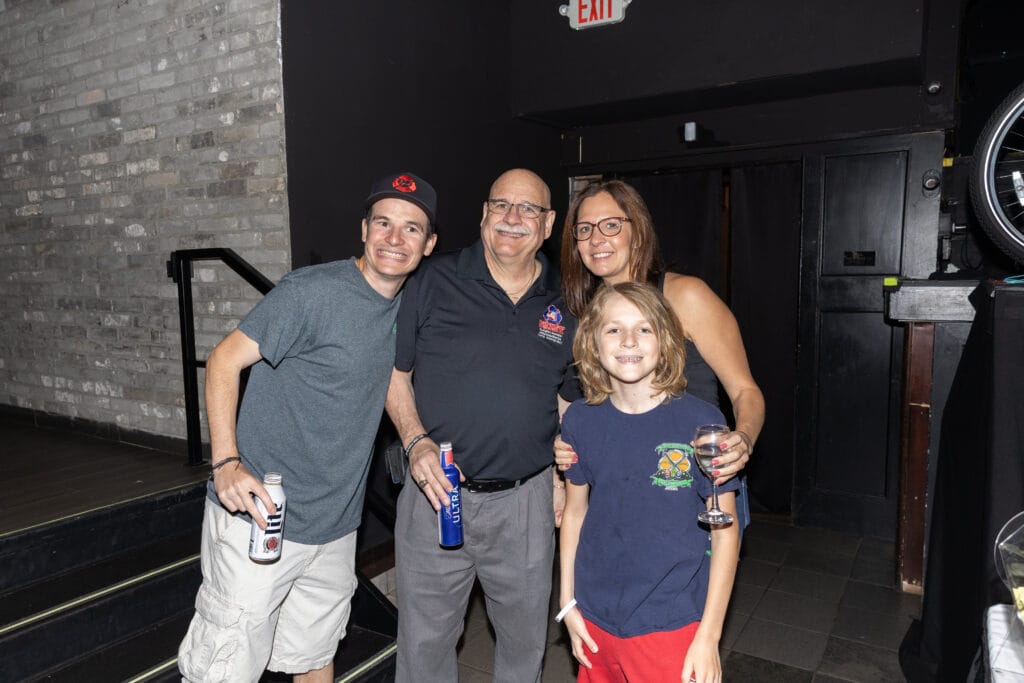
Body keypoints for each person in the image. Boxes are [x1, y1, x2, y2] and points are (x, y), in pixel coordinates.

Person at [177, 172, 438, 683]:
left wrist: (415, 438)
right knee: (222, 670)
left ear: (428, 244)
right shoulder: (311, 292)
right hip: (261, 518)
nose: (394, 238)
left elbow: (387, 374)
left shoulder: (405, 308)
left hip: (335, 527)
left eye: (411, 228)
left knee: (315, 657)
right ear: (363, 229)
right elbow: (224, 360)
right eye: (383, 223)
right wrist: (226, 462)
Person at [386, 168, 579, 682]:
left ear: (548, 225)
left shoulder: (567, 300)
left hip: (525, 502)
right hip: (435, 495)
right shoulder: (432, 280)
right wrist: (415, 441)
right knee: (424, 645)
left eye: (528, 209)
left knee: (524, 644)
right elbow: (394, 373)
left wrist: (561, 479)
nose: (512, 218)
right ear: (483, 214)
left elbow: (566, 398)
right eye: (501, 205)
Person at [558, 281, 740, 683]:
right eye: (613, 329)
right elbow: (574, 513)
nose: (629, 340)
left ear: (666, 340)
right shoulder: (579, 420)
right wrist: (567, 601)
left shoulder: (701, 422)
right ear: (592, 342)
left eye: (644, 328)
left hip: (671, 622)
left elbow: (725, 531)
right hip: (594, 616)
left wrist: (709, 636)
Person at [556, 178, 764, 485]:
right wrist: (563, 466)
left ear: (638, 233)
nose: (596, 239)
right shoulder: (584, 313)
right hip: (619, 482)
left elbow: (746, 392)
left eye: (611, 225)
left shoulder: (686, 296)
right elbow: (572, 400)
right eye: (585, 229)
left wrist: (743, 439)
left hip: (694, 476)